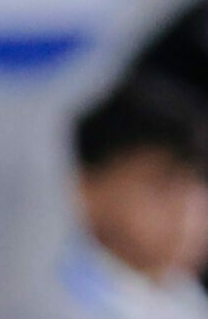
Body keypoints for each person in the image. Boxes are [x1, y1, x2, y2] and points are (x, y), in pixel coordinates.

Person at [57, 78, 208, 319]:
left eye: (195, 185)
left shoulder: (186, 299)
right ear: (87, 187)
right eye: (161, 186)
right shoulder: (51, 300)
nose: (186, 209)